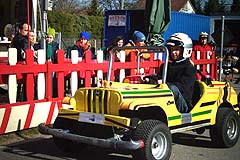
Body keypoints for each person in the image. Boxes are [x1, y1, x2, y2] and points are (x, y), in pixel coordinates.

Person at [146, 33, 196, 113]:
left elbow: (183, 87)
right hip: (166, 100)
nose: (173, 53)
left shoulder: (189, 68)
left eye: (176, 50)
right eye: (172, 50)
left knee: (173, 89)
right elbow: (159, 77)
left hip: (183, 103)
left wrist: (164, 83)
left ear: (185, 50)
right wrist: (149, 79)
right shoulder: (166, 65)